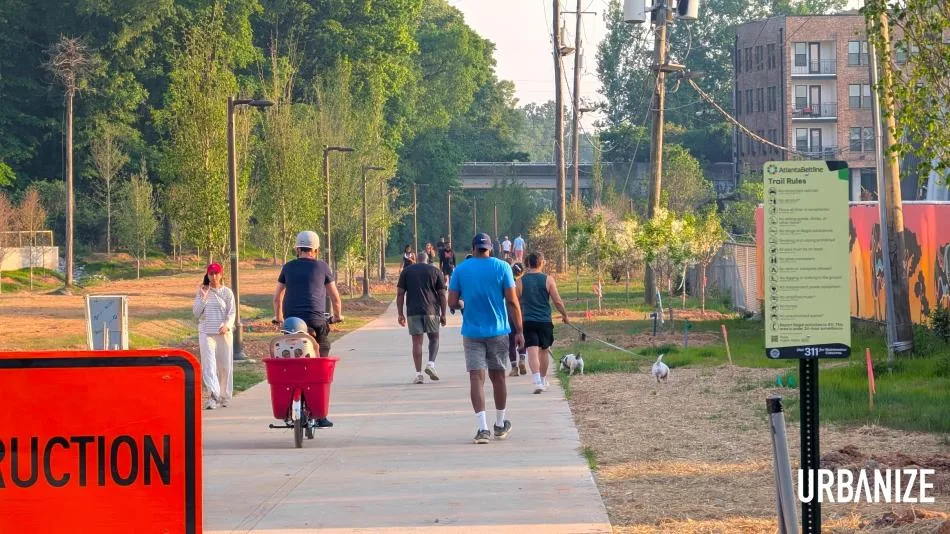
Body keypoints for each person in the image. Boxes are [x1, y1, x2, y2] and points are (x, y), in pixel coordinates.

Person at [448, 233, 524, 444]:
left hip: (472, 332)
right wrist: (519, 331)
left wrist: (462, 303)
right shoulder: (502, 267)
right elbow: (512, 301)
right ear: (490, 248)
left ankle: (482, 429)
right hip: (499, 331)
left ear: (473, 248)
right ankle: (499, 425)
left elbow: (452, 302)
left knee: (476, 379)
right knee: (498, 377)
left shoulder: (461, 270)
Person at [273, 230, 343, 427]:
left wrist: (278, 318)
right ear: (316, 249)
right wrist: (337, 316)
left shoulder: (287, 267)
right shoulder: (322, 267)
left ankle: (289, 406)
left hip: (291, 324)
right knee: (321, 364)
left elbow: (277, 297)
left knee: (287, 360)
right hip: (316, 322)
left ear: (298, 249)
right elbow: (335, 298)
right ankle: (320, 415)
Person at [518, 251, 569, 394]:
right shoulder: (548, 280)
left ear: (528, 263)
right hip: (544, 321)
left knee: (532, 351)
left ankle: (537, 382)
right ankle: (543, 378)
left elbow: (515, 302)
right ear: (541, 263)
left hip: (528, 321)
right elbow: (557, 301)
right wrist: (565, 315)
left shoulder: (520, 281)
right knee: (544, 351)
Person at [397, 252, 448, 384]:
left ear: (416, 260)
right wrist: (443, 314)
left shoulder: (407, 271)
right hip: (432, 310)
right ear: (427, 260)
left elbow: (400, 294)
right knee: (434, 338)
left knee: (417, 342)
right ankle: (430, 364)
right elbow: (442, 294)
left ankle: (418, 374)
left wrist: (400, 314)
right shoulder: (435, 271)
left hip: (413, 311)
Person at [192, 263, 236, 410]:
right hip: (206, 332)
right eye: (211, 274)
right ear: (207, 275)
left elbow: (231, 313)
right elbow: (196, 313)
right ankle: (213, 395)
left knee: (224, 366)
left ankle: (224, 395)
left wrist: (227, 325)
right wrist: (203, 298)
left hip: (223, 333)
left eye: (216, 273)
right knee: (209, 365)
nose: (214, 276)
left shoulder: (227, 293)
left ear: (221, 274)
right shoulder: (203, 291)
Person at [507, 262, 528, 377]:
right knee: (521, 337)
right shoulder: (522, 283)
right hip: (522, 314)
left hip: (510, 315)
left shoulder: (508, 283)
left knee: (511, 342)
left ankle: (514, 367)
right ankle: (522, 360)